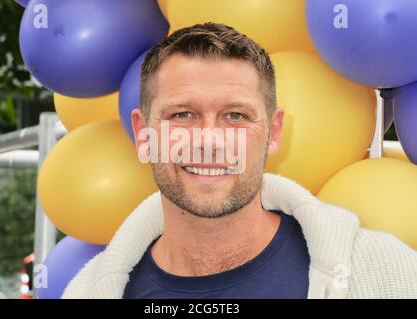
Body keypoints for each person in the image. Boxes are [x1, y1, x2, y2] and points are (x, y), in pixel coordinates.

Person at [63, 23, 417, 299]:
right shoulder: (86, 290)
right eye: (183, 114)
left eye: (235, 116)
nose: (210, 142)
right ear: (143, 133)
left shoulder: (386, 272)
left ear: (273, 132)